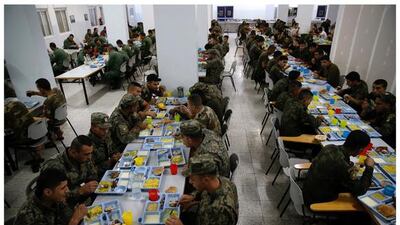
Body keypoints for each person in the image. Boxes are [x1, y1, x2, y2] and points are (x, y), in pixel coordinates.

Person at [303, 130, 374, 206]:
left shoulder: (330, 147)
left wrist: (352, 165)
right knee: (358, 205)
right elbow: (360, 190)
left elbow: (340, 165)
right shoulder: (342, 165)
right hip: (317, 201)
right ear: (360, 149)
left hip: (309, 191)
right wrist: (369, 168)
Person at [165, 155, 238, 225]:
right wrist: (193, 198)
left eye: (193, 179)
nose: (190, 182)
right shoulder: (219, 181)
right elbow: (205, 193)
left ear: (205, 180)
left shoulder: (220, 211)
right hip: (201, 213)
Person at [14, 168, 88, 225]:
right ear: (48, 192)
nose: (67, 190)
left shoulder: (55, 198)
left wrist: (75, 212)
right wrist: (74, 220)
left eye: (67, 186)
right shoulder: (30, 217)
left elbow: (66, 215)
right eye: (63, 188)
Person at [41, 135, 98, 207]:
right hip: (62, 205)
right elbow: (54, 196)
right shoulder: (54, 167)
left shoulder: (85, 157)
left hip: (80, 198)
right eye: (87, 154)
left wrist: (91, 185)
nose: (90, 157)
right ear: (73, 152)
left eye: (91, 153)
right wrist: (79, 191)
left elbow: (93, 175)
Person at [5, 100, 43, 172]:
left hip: (28, 138)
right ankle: (36, 155)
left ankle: (12, 165)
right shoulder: (19, 104)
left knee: (7, 141)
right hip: (39, 133)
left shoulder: (6, 113)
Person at [88, 112, 121, 177]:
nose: (106, 131)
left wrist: (116, 154)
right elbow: (91, 171)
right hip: (99, 177)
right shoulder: (88, 145)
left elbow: (112, 148)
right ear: (93, 127)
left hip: (112, 168)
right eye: (102, 128)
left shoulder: (105, 135)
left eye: (107, 128)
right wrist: (110, 161)